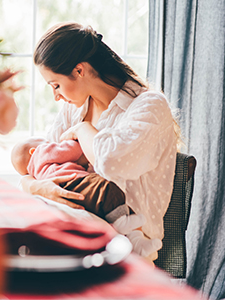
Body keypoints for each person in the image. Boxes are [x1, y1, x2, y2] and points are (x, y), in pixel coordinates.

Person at [19, 22, 178, 261]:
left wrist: (84, 129)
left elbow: (111, 162)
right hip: (76, 235)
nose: (56, 96)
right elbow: (44, 159)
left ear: (79, 71)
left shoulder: (149, 106)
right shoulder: (75, 109)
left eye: (56, 85)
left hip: (127, 247)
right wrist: (34, 186)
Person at [11, 136, 163, 258]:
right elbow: (71, 150)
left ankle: (136, 240)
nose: (50, 141)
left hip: (65, 192)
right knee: (107, 189)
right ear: (33, 151)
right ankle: (123, 226)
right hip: (74, 181)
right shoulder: (41, 152)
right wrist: (74, 140)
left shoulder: (36, 174)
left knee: (112, 205)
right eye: (44, 141)